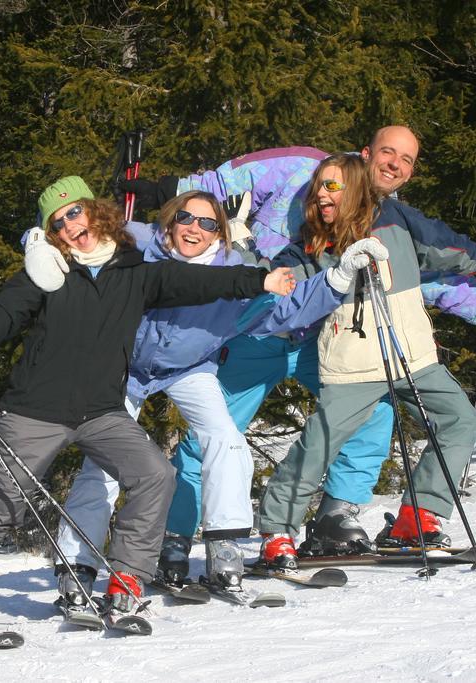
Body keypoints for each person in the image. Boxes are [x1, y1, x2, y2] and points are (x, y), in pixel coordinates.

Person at [117, 126, 476, 564]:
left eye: (406, 160)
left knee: (374, 414)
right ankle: (175, 537)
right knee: (213, 435)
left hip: (321, 340)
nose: (394, 165)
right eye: (387, 153)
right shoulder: (302, 169)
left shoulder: (393, 221)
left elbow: (426, 278)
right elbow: (228, 185)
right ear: (365, 154)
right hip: (255, 336)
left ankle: (336, 517)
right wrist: (173, 192)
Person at [0, 177, 296, 630]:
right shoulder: (45, 274)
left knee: (155, 475)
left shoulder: (135, 271)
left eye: (75, 212)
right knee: (1, 497)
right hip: (35, 409)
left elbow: (196, 281)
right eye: (58, 221)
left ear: (94, 212)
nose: (71, 224)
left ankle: (126, 578)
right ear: (51, 233)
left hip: (101, 411)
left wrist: (260, 278)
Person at [40, 190, 386, 603]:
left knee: (225, 438)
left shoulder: (233, 271)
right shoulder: (137, 243)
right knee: (103, 462)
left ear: (219, 232)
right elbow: (86, 228)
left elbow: (281, 309)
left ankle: (223, 549)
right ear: (170, 220)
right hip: (124, 367)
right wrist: (42, 237)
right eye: (186, 218)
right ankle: (76, 566)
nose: (194, 229)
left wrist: (338, 277)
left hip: (190, 366)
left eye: (207, 223)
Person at [254, 153, 476, 571]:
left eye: (332, 186)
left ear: (355, 190)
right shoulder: (307, 248)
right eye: (318, 185)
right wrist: (333, 277)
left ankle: (416, 517)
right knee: (318, 444)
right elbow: (279, 308)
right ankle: (277, 530)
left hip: (413, 358)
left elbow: (443, 247)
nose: (321, 193)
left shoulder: (395, 223)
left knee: (460, 420)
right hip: (353, 365)